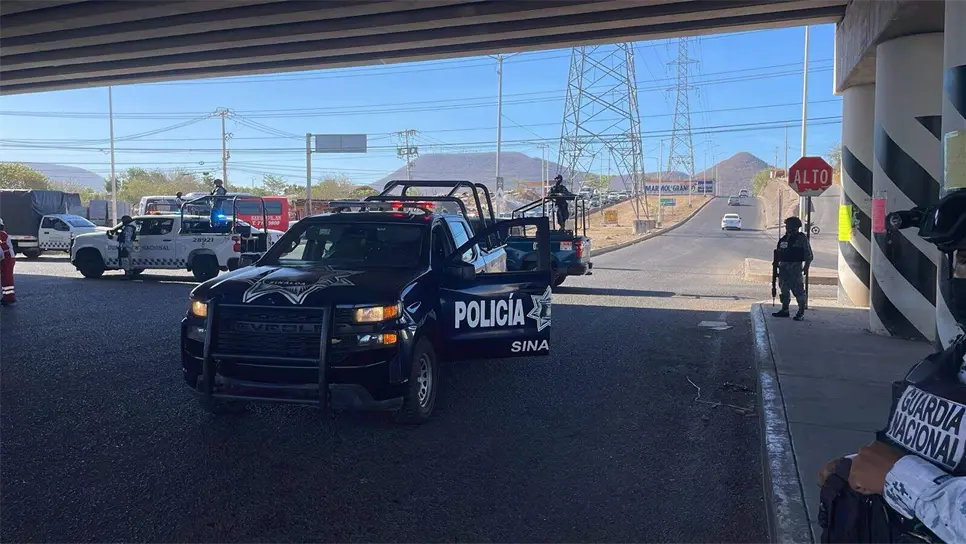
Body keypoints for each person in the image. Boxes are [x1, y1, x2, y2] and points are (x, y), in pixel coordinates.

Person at [818, 191, 966, 543]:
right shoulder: (948, 363)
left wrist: (898, 477)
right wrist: (857, 465)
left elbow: (903, 474)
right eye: (965, 259)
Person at [772, 216, 813, 321]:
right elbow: (778, 253)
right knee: (784, 289)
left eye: (788, 225)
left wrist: (806, 267)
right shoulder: (784, 238)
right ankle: (785, 309)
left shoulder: (801, 238)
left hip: (795, 267)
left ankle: (801, 312)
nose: (787, 227)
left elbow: (808, 254)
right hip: (783, 268)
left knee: (798, 290)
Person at [0, 217, 15, 305]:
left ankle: (9, 298)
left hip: (7, 258)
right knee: (5, 278)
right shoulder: (3, 234)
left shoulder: (1, 235)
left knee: (7, 278)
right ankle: (7, 297)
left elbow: (1, 249)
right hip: (7, 258)